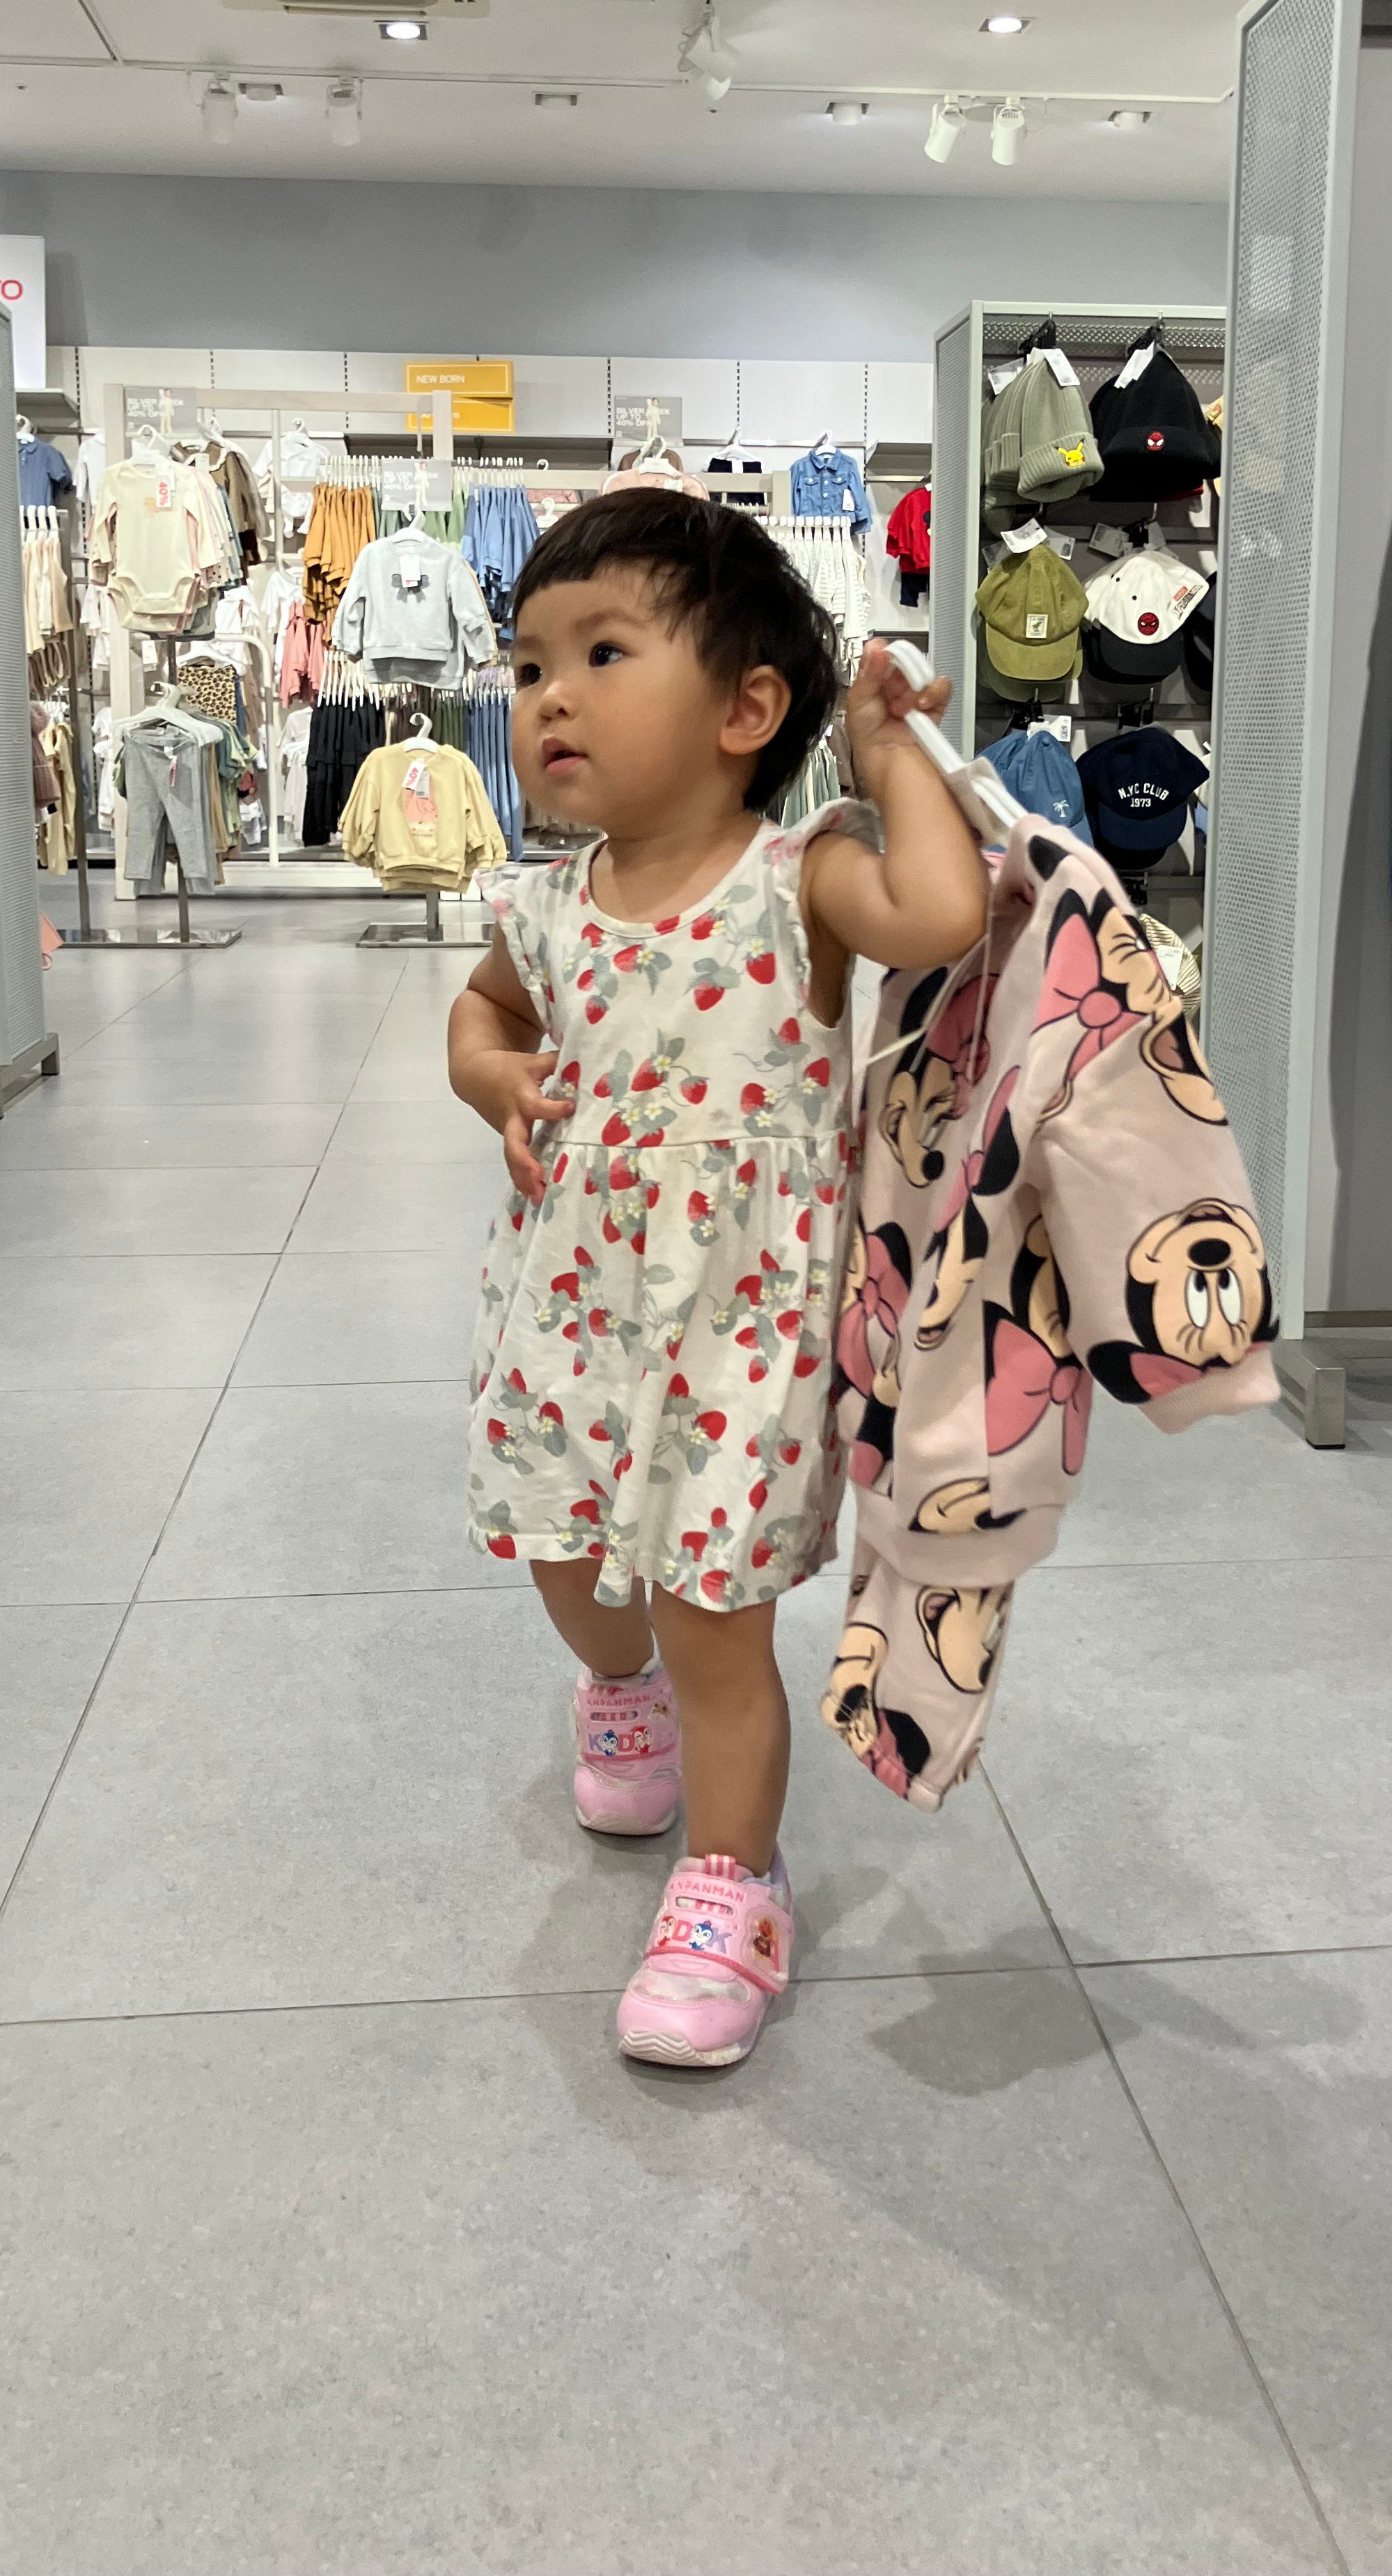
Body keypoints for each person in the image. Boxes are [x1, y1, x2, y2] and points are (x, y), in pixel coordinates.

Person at [448, 492, 987, 2070]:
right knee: (566, 1560)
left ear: (748, 711)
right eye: (528, 665)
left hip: (737, 1341)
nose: (548, 696)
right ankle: (613, 1694)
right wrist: (493, 1081)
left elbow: (943, 912)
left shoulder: (798, 883)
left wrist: (888, 760)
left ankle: (732, 1886)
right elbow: (481, 1021)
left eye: (601, 654)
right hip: (569, 1314)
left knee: (713, 1621)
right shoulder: (540, 909)